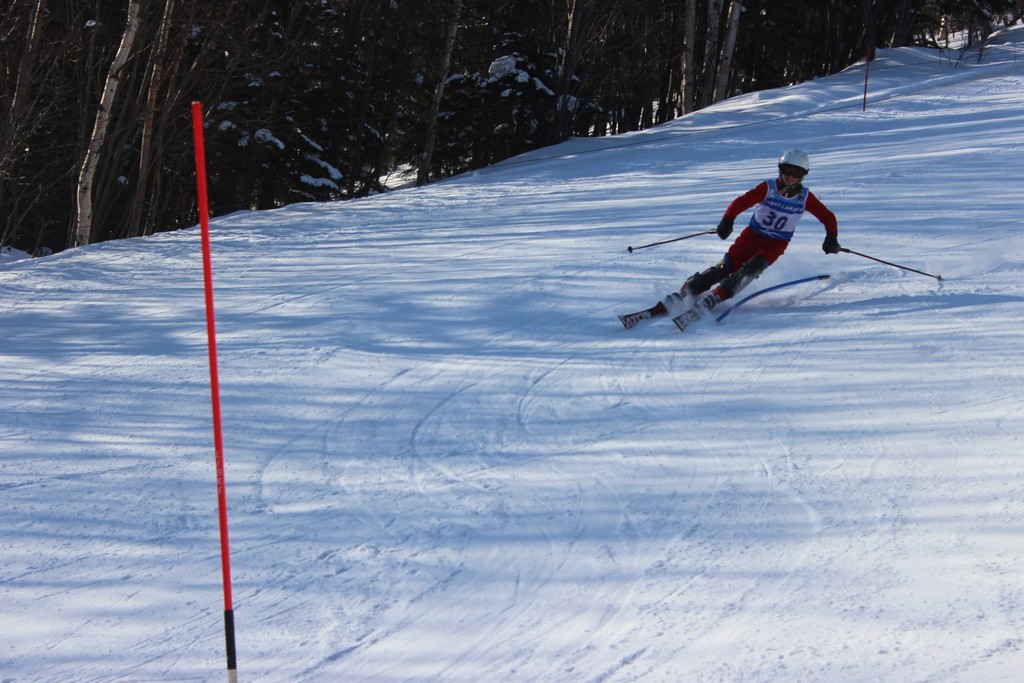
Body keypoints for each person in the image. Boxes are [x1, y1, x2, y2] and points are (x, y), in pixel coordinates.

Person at [655, 148, 840, 321]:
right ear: (780, 170)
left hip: (777, 242)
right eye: (787, 171)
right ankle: (690, 290)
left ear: (803, 175)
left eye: (796, 173)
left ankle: (718, 296)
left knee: (754, 267)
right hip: (753, 235)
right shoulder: (768, 188)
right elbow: (742, 202)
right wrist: (728, 220)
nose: (790, 177)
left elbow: (827, 216)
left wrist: (831, 237)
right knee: (726, 267)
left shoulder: (805, 197)